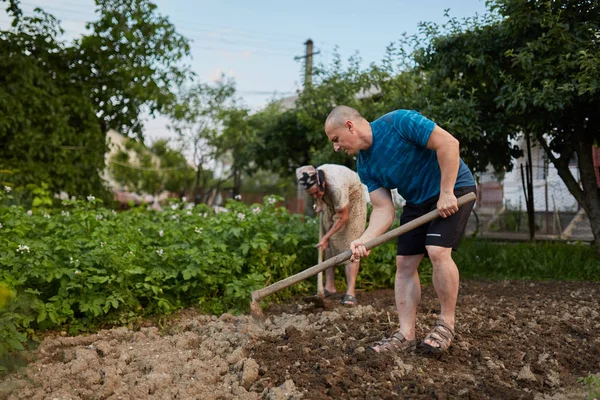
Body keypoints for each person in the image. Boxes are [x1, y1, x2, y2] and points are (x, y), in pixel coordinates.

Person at [323, 105, 476, 355]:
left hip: (455, 186)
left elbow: (449, 144)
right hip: (417, 201)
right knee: (404, 263)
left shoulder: (399, 122)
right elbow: (384, 209)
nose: (336, 147)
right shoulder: (365, 166)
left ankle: (446, 324)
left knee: (437, 251)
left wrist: (447, 192)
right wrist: (365, 239)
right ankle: (406, 335)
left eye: (336, 139)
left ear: (349, 126)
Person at [295, 164, 367, 306]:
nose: (315, 196)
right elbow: (318, 194)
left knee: (350, 244)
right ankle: (329, 287)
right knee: (328, 245)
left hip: (352, 201)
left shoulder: (336, 186)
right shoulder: (315, 179)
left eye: (316, 192)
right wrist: (319, 202)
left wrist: (326, 236)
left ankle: (350, 293)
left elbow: (343, 217)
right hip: (331, 200)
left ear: (321, 183)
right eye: (312, 195)